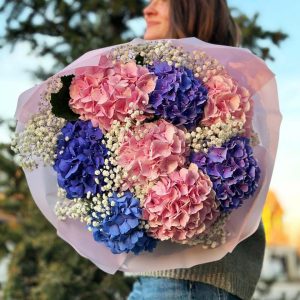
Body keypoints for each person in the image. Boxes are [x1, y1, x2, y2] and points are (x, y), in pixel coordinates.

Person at [127, 1, 266, 300]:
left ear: (192, 8)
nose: (147, 10)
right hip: (169, 278)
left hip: (190, 283)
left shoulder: (221, 86)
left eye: (161, 0)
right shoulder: (161, 84)